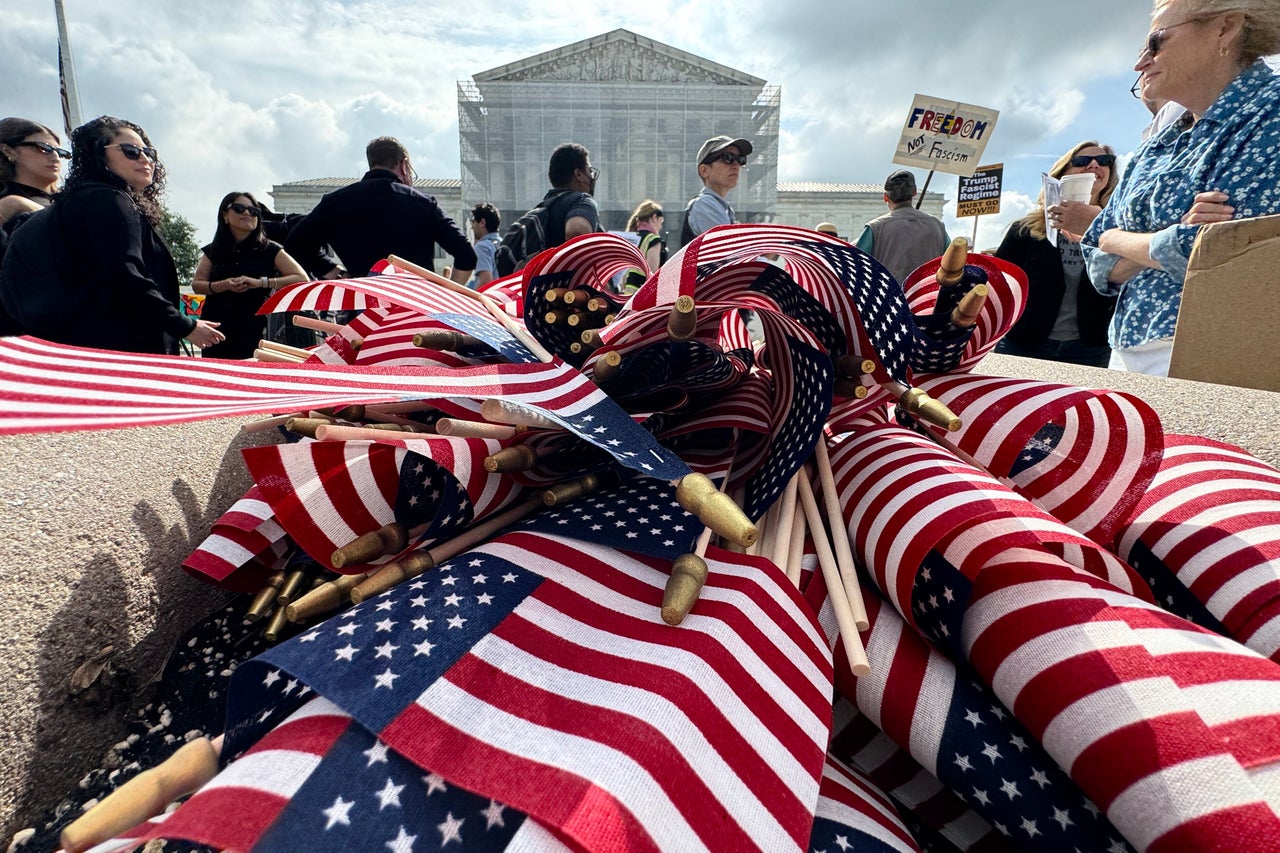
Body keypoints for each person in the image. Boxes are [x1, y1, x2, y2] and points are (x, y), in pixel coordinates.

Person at [1083, 0, 1280, 376]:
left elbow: (1229, 250)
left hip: (1224, 352)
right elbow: (1095, 258)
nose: (1140, 63)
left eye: (1156, 42)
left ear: (1225, 28)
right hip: (1126, 349)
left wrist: (1118, 239)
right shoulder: (1159, 143)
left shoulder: (1271, 112)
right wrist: (1165, 237)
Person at [0, 115, 223, 354]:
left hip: (76, 343)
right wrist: (184, 326)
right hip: (115, 347)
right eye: (131, 151)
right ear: (99, 155)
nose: (145, 159)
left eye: (149, 152)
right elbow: (124, 275)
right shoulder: (107, 198)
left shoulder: (81, 199)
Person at [994, 142, 1120, 368]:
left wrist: (1104, 230)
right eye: (1082, 161)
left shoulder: (1118, 231)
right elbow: (997, 283)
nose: (1094, 165)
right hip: (1024, 344)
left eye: (1104, 161)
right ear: (1063, 174)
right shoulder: (1025, 230)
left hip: (1090, 348)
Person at [284, 136, 476, 284]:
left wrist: (334, 272)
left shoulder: (335, 202)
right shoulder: (422, 203)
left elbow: (295, 243)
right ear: (403, 165)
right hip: (413, 308)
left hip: (364, 307)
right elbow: (466, 255)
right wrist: (448, 296)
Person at [191, 192, 308, 359]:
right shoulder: (214, 250)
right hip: (216, 327)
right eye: (239, 209)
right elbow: (197, 284)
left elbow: (301, 277)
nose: (247, 213)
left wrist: (261, 282)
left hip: (254, 326)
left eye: (254, 211)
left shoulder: (270, 249)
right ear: (225, 215)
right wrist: (223, 285)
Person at [855, 170, 950, 284]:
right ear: (914, 192)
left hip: (888, 298)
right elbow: (951, 263)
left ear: (885, 197)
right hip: (926, 299)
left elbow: (856, 265)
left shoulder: (874, 228)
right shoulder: (938, 226)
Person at [681, 135, 751, 246]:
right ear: (704, 171)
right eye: (728, 158)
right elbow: (731, 253)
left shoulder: (722, 208)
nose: (736, 165)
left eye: (740, 159)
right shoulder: (704, 204)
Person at [0, 118, 64, 226]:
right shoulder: (5, 205)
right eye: (43, 148)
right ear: (8, 151)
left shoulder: (70, 200)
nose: (56, 158)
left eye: (61, 153)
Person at [542, 143, 602, 243]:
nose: (592, 177)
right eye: (590, 171)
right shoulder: (582, 200)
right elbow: (576, 232)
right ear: (578, 174)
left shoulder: (545, 206)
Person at [620, 199, 665, 293]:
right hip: (641, 294)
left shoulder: (631, 237)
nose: (661, 226)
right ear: (654, 217)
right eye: (661, 221)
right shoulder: (653, 239)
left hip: (625, 292)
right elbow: (652, 273)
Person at [470, 202, 501, 288]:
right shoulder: (504, 244)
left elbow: (485, 282)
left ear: (482, 222)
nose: (472, 227)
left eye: (473, 222)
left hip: (491, 299)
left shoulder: (482, 247)